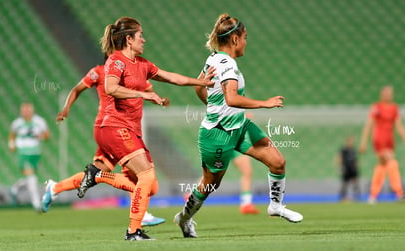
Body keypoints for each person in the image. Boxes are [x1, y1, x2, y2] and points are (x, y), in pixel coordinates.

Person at [76, 16, 215, 240]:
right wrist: (144, 94)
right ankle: (133, 231)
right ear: (129, 39)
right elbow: (111, 88)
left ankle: (98, 175)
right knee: (146, 175)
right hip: (113, 126)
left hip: (130, 130)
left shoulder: (142, 64)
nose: (144, 40)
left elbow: (171, 77)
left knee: (150, 186)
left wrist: (202, 82)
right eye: (141, 36)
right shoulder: (116, 61)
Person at [174, 13, 303, 238]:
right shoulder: (227, 65)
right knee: (210, 184)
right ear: (234, 39)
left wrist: (213, 105)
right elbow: (232, 99)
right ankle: (185, 218)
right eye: (245, 37)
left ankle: (275, 206)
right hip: (217, 135)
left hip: (239, 127)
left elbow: (198, 86)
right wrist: (265, 103)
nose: (246, 42)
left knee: (278, 162)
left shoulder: (213, 58)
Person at [40, 57, 165, 227]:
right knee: (139, 174)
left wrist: (157, 97)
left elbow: (147, 87)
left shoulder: (131, 71)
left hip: (123, 127)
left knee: (102, 173)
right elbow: (78, 88)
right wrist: (66, 108)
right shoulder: (99, 71)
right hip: (114, 128)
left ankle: (55, 188)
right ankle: (140, 215)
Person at [195, 80, 259, 214]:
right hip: (220, 138)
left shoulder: (235, 96)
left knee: (246, 170)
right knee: (212, 176)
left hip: (234, 138)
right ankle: (192, 194)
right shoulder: (220, 98)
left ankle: (246, 203)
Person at [359, 85, 405, 204]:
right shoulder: (377, 107)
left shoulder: (394, 108)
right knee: (391, 162)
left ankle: (373, 195)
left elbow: (398, 126)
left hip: (390, 140)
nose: (387, 95)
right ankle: (399, 192)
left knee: (382, 166)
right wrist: (363, 142)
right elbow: (369, 124)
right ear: (381, 95)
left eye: (389, 93)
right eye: (385, 93)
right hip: (379, 139)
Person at [8, 102, 50, 211]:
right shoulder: (17, 123)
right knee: (31, 177)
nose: (26, 112)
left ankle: (15, 188)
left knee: (31, 178)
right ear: (21, 112)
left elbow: (46, 135)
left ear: (32, 111)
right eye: (24, 110)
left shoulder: (39, 122)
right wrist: (11, 144)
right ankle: (37, 204)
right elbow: (12, 135)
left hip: (35, 153)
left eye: (28, 110)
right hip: (23, 153)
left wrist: (39, 136)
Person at [335, 136, 360, 202]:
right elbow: (339, 158)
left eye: (352, 141)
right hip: (346, 168)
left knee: (355, 183)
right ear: (347, 141)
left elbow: (355, 160)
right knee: (345, 184)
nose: (352, 143)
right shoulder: (343, 150)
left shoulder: (353, 150)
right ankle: (342, 197)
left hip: (353, 169)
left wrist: (357, 166)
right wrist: (339, 167)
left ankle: (356, 197)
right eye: (351, 141)